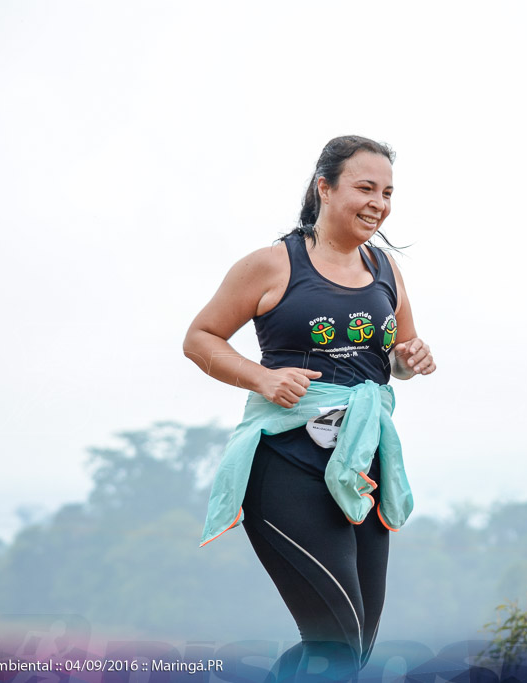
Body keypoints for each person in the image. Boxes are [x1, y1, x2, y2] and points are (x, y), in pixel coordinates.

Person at [182, 135, 435, 682]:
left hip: (361, 466)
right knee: (336, 641)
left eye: (387, 192)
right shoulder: (271, 265)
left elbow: (397, 357)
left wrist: (411, 358)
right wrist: (262, 377)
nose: (379, 203)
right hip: (287, 466)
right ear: (324, 187)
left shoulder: (386, 269)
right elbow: (200, 338)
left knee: (357, 646)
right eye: (365, 187)